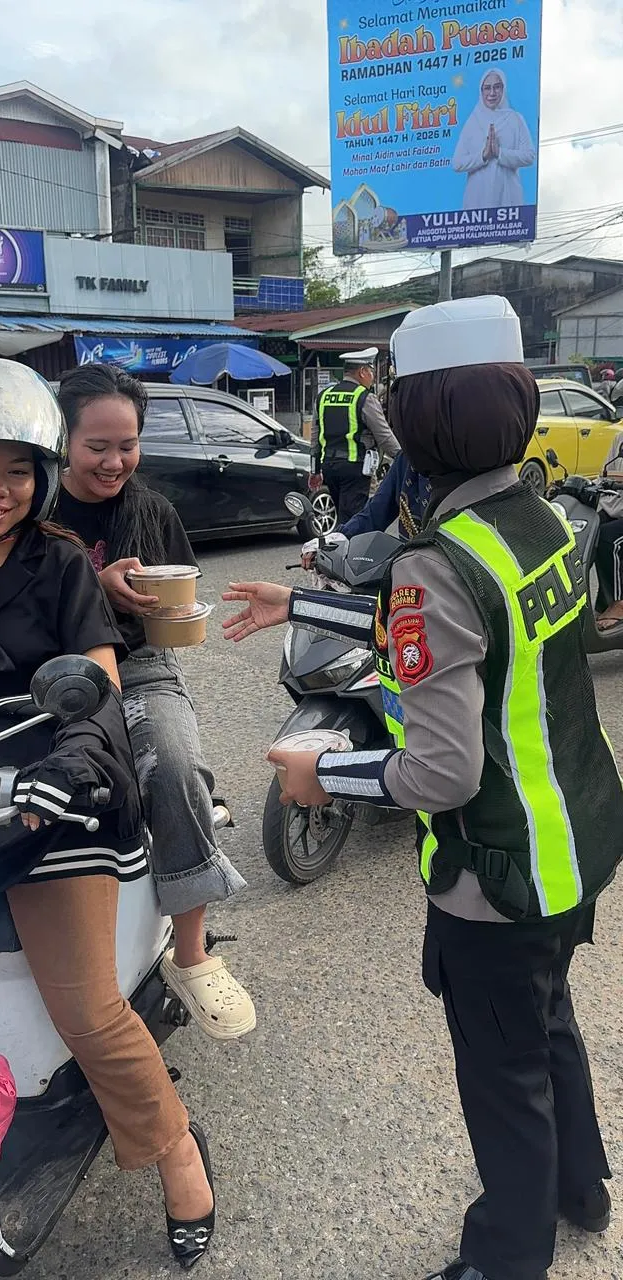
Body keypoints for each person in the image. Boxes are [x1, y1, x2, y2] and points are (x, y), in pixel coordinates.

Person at [223, 296, 623, 1280]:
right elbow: (460, 637)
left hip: (498, 869)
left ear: (417, 421)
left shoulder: (436, 563)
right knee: (549, 1021)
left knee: (503, 1075)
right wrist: (300, 601)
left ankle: (506, 1256)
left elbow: (441, 768)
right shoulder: (537, 516)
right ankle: (583, 1188)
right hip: (575, 838)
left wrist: (324, 769)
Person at [0, 359, 216, 1271]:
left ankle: (177, 1150)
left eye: (15, 470)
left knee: (86, 1008)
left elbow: (99, 686)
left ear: (41, 478)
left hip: (52, 801)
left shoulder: (62, 566)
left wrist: (73, 762)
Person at [54, 363, 255, 1040]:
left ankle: (190, 954)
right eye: (97, 446)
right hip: (51, 670)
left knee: (173, 765)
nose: (114, 462)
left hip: (140, 666)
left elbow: (178, 598)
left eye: (128, 445)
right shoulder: (33, 509)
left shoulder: (153, 512)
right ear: (62, 440)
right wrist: (91, 582)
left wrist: (175, 613)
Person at [311, 347, 400, 526]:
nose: (373, 377)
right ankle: (349, 543)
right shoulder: (364, 397)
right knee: (356, 519)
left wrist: (315, 471)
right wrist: (403, 457)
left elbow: (315, 438)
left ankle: (340, 541)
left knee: (342, 515)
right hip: (356, 469)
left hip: (329, 468)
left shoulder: (323, 396)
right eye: (371, 372)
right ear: (362, 372)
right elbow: (384, 436)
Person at [452, 70, 535, 210]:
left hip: (508, 201)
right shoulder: (473, 122)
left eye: (497, 87)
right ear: (481, 91)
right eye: (487, 88)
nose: (492, 93)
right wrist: (483, 156)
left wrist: (499, 153)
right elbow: (457, 163)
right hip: (477, 204)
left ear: (503, 89)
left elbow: (529, 156)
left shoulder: (515, 119)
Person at [341, 449, 432, 541]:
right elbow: (377, 510)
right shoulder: (406, 458)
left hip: (437, 546)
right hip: (413, 547)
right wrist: (342, 536)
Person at [594, 427, 623, 626]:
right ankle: (603, 600)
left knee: (608, 539)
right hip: (615, 508)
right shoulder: (619, 438)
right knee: (589, 531)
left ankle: (618, 603)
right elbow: (605, 473)